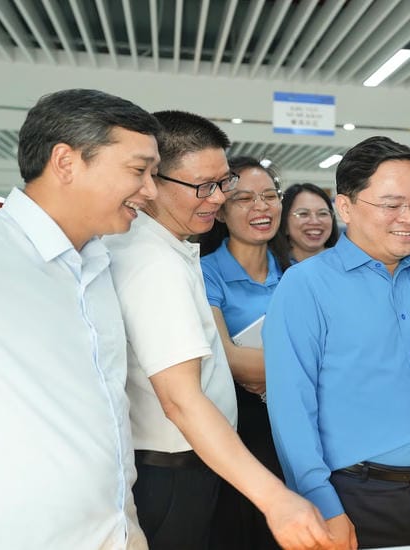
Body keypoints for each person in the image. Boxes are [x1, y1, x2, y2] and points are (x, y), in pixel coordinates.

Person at [103, 110, 332, 550]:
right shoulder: (154, 264)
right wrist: (274, 497)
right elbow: (182, 400)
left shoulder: (174, 250)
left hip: (195, 463)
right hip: (172, 469)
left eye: (222, 183)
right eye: (203, 187)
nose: (216, 198)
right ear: (152, 181)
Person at [0, 88, 160, 548]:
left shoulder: (98, 263)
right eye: (139, 171)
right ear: (66, 162)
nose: (151, 191)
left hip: (114, 530)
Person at [264, 136, 410, 549]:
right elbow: (291, 411)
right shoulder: (306, 286)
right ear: (345, 207)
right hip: (355, 495)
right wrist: (325, 507)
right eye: (392, 204)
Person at [199, 156, 289, 550]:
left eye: (270, 196)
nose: (261, 207)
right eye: (245, 199)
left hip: (293, 423)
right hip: (239, 426)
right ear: (221, 211)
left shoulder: (294, 273)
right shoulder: (205, 272)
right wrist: (310, 368)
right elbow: (228, 361)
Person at [280, 182, 339, 263]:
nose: (315, 221)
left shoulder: (347, 264)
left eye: (323, 213)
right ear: (285, 223)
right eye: (303, 214)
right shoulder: (271, 270)